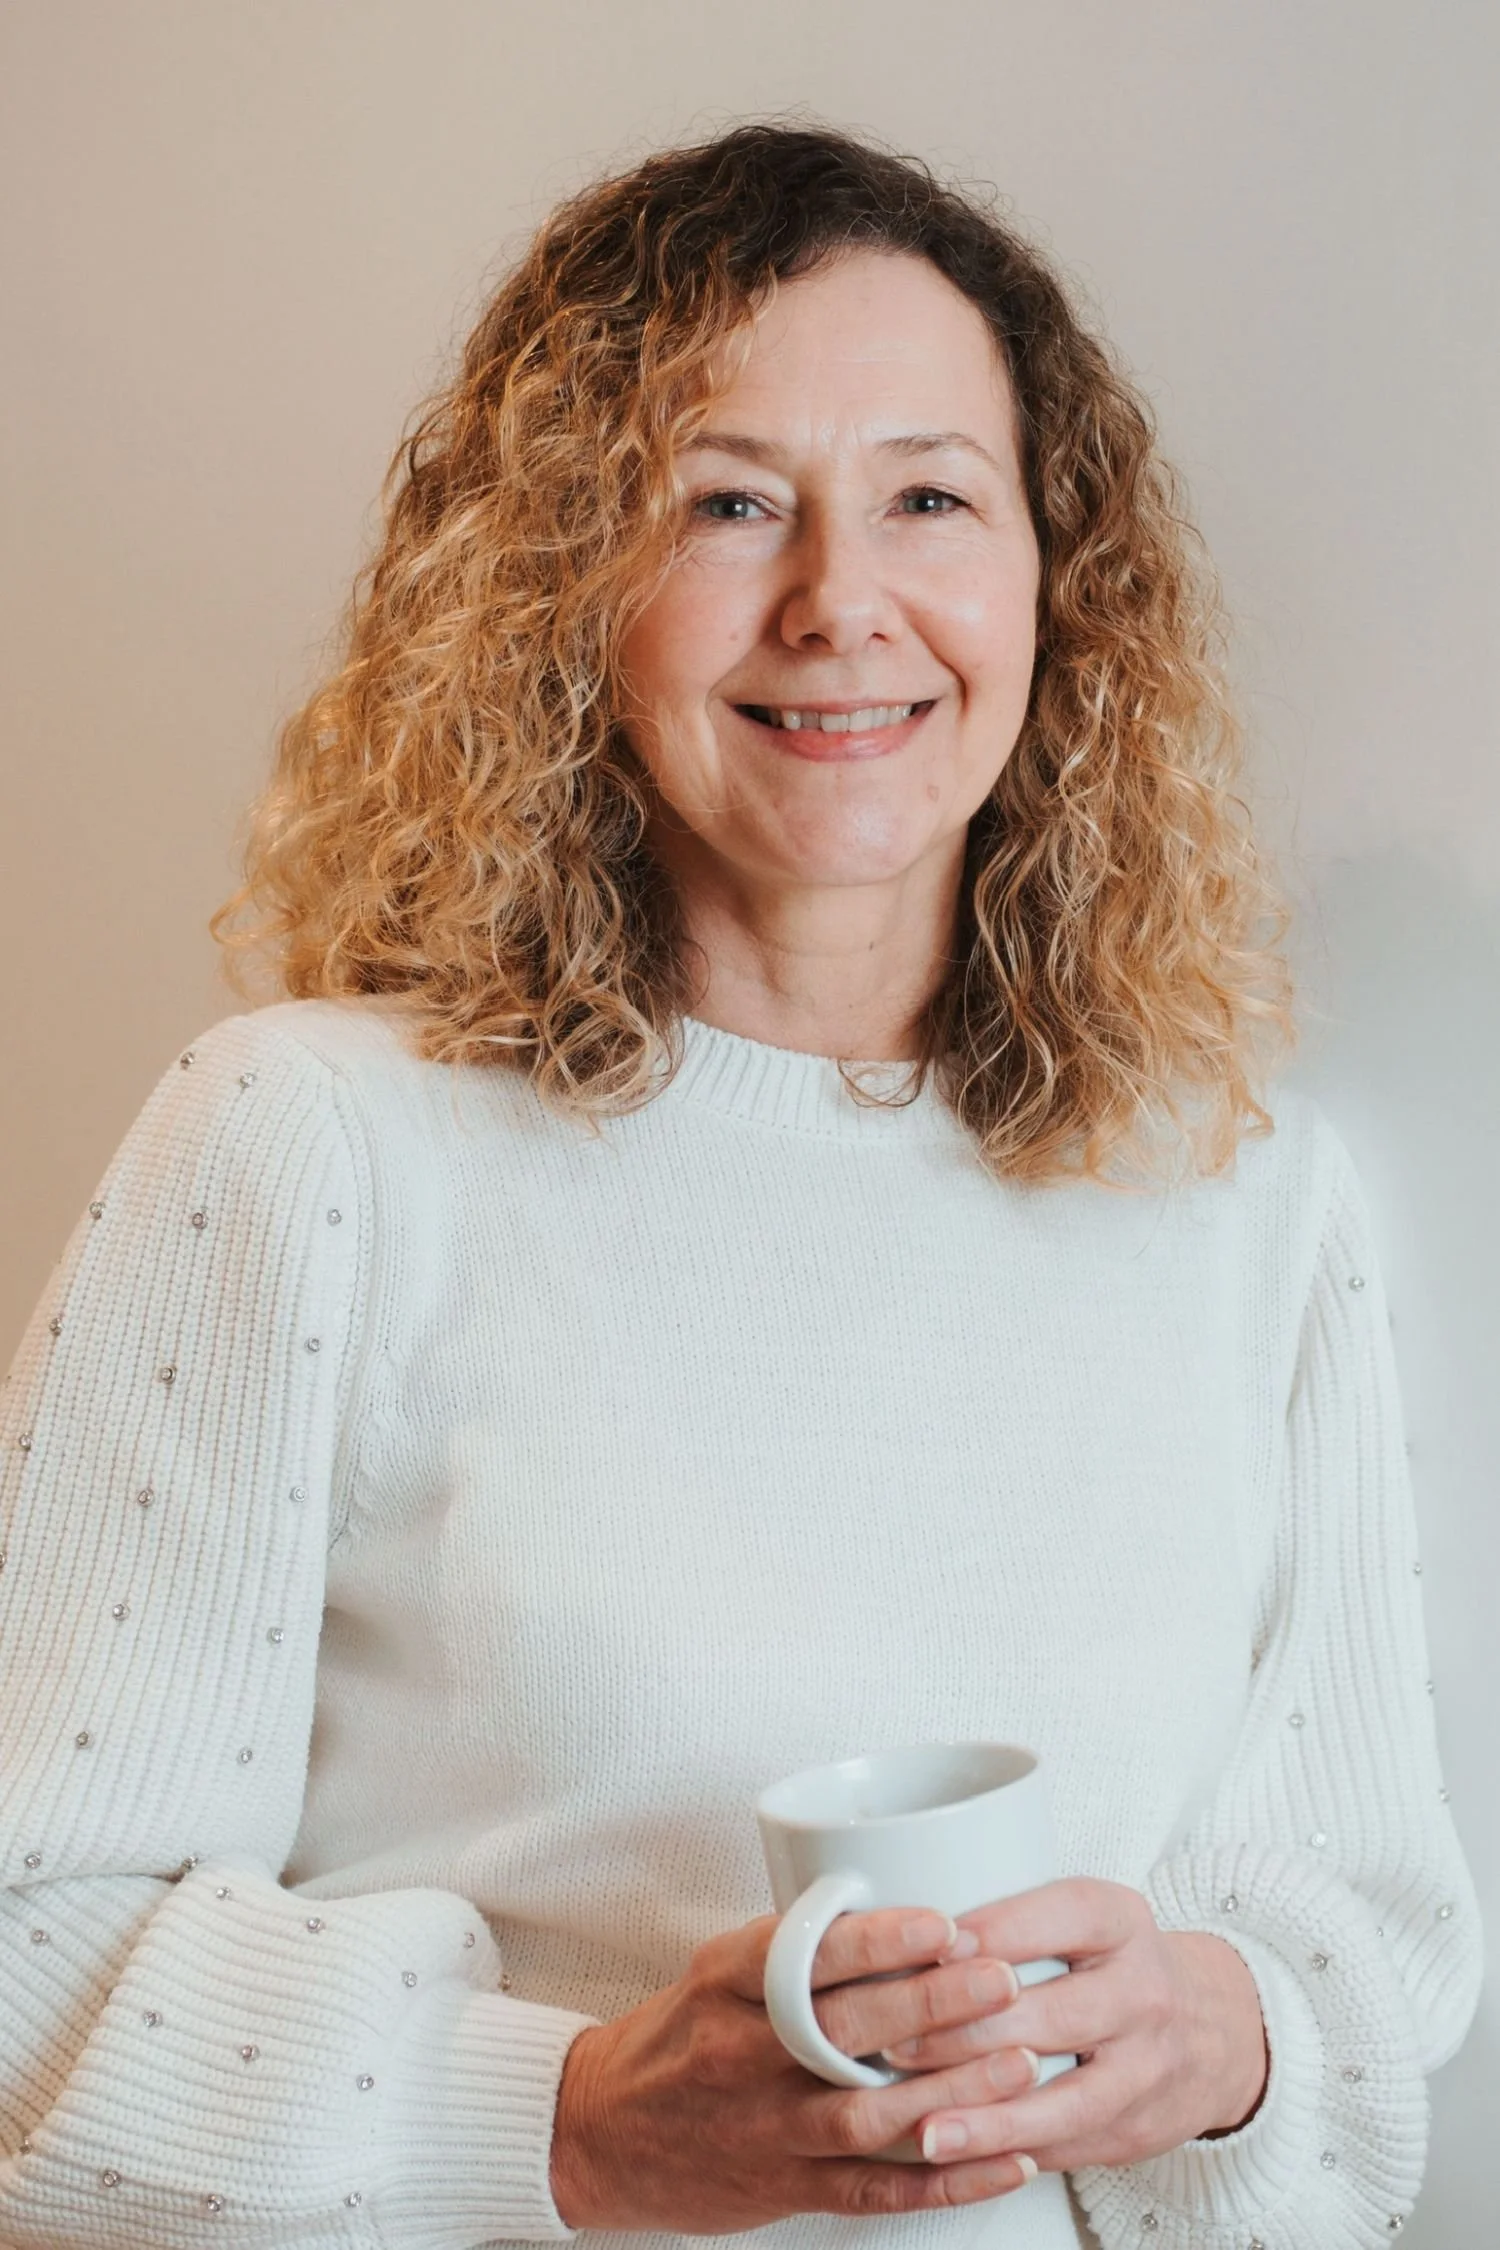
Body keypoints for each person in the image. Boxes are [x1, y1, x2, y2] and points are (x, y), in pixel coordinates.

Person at [0, 121, 1479, 2250]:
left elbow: (1365, 1961)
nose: (840, 601)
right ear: (562, 589)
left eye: (930, 498)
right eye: (726, 502)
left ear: (1054, 586)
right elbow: (30, 1934)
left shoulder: (1245, 1197)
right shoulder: (307, 1143)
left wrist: (1223, 2043)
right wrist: (568, 2121)